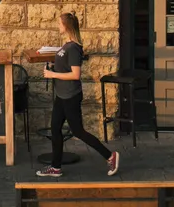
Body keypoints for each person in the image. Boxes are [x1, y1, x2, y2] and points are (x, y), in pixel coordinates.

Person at [37, 12, 120, 178]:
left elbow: (75, 74)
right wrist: (55, 65)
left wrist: (52, 75)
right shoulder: (66, 45)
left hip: (70, 95)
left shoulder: (73, 47)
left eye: (60, 24)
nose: (58, 26)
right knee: (55, 129)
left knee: (78, 131)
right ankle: (55, 167)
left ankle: (110, 156)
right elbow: (65, 65)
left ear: (67, 27)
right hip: (62, 95)